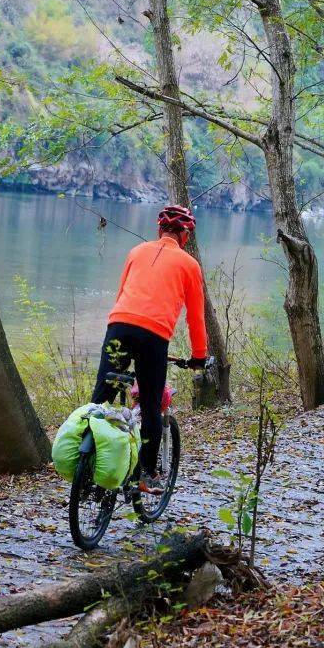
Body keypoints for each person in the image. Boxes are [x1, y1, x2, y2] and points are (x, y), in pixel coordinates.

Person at [91, 205, 208, 495]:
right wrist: (199, 356)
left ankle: (88, 459)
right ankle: (146, 474)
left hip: (119, 325)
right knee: (151, 404)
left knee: (101, 398)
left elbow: (122, 294)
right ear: (185, 236)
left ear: (159, 230)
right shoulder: (190, 265)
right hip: (153, 335)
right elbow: (196, 317)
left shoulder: (136, 251)